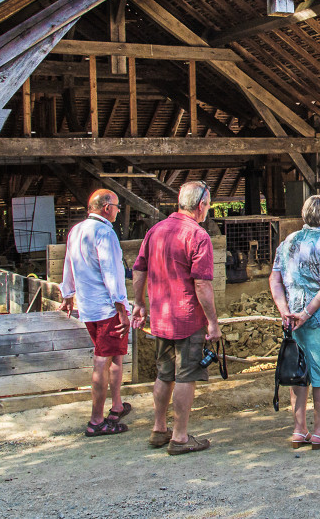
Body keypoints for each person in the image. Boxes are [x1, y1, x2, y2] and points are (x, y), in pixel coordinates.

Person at [131, 180, 220, 455]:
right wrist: (213, 323)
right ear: (201, 205)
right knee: (185, 376)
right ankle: (180, 437)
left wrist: (139, 303)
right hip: (188, 318)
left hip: (162, 316)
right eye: (208, 205)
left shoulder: (155, 231)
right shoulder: (198, 235)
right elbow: (202, 285)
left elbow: (139, 269)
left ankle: (159, 429)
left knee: (164, 374)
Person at [270, 194, 320, 449]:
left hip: (293, 318)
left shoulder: (287, 243)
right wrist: (308, 313)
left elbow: (274, 280)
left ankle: (298, 429)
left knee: (298, 372)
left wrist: (285, 311)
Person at [60, 189, 132, 437]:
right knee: (102, 360)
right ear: (106, 207)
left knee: (115, 356)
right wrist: (121, 307)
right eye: (117, 206)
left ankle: (117, 406)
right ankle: (96, 420)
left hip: (88, 307)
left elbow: (68, 262)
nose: (118, 210)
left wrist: (68, 294)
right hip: (107, 307)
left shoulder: (76, 230)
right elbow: (111, 272)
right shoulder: (105, 232)